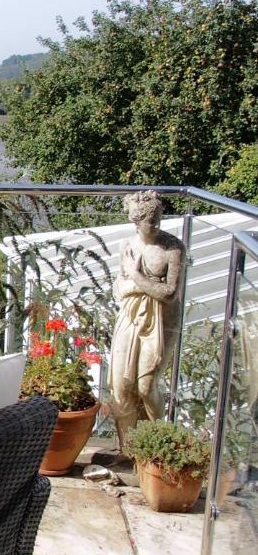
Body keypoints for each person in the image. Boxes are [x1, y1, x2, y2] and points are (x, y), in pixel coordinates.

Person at [107, 190, 185, 454]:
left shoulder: (173, 248)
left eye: (159, 218)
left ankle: (156, 443)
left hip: (161, 323)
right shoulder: (127, 246)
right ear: (136, 221)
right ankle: (129, 449)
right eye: (151, 220)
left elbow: (170, 293)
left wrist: (137, 277)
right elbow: (120, 287)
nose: (156, 225)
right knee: (121, 384)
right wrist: (145, 285)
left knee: (146, 385)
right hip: (129, 316)